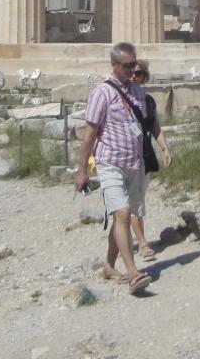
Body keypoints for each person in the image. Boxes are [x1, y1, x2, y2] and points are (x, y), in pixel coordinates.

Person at [74, 41, 154, 294]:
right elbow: (90, 134)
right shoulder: (102, 93)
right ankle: (132, 272)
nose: (133, 70)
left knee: (124, 215)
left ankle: (109, 265)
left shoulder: (138, 92)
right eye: (128, 66)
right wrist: (82, 170)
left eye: (135, 65)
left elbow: (144, 125)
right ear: (114, 64)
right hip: (110, 162)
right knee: (122, 215)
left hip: (134, 163)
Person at [127, 60, 172, 261]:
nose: (132, 76)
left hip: (143, 156)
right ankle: (143, 243)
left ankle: (120, 247)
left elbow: (155, 127)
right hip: (120, 157)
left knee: (134, 202)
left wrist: (164, 147)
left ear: (144, 77)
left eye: (137, 73)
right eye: (129, 71)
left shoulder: (148, 101)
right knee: (130, 203)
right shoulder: (115, 98)